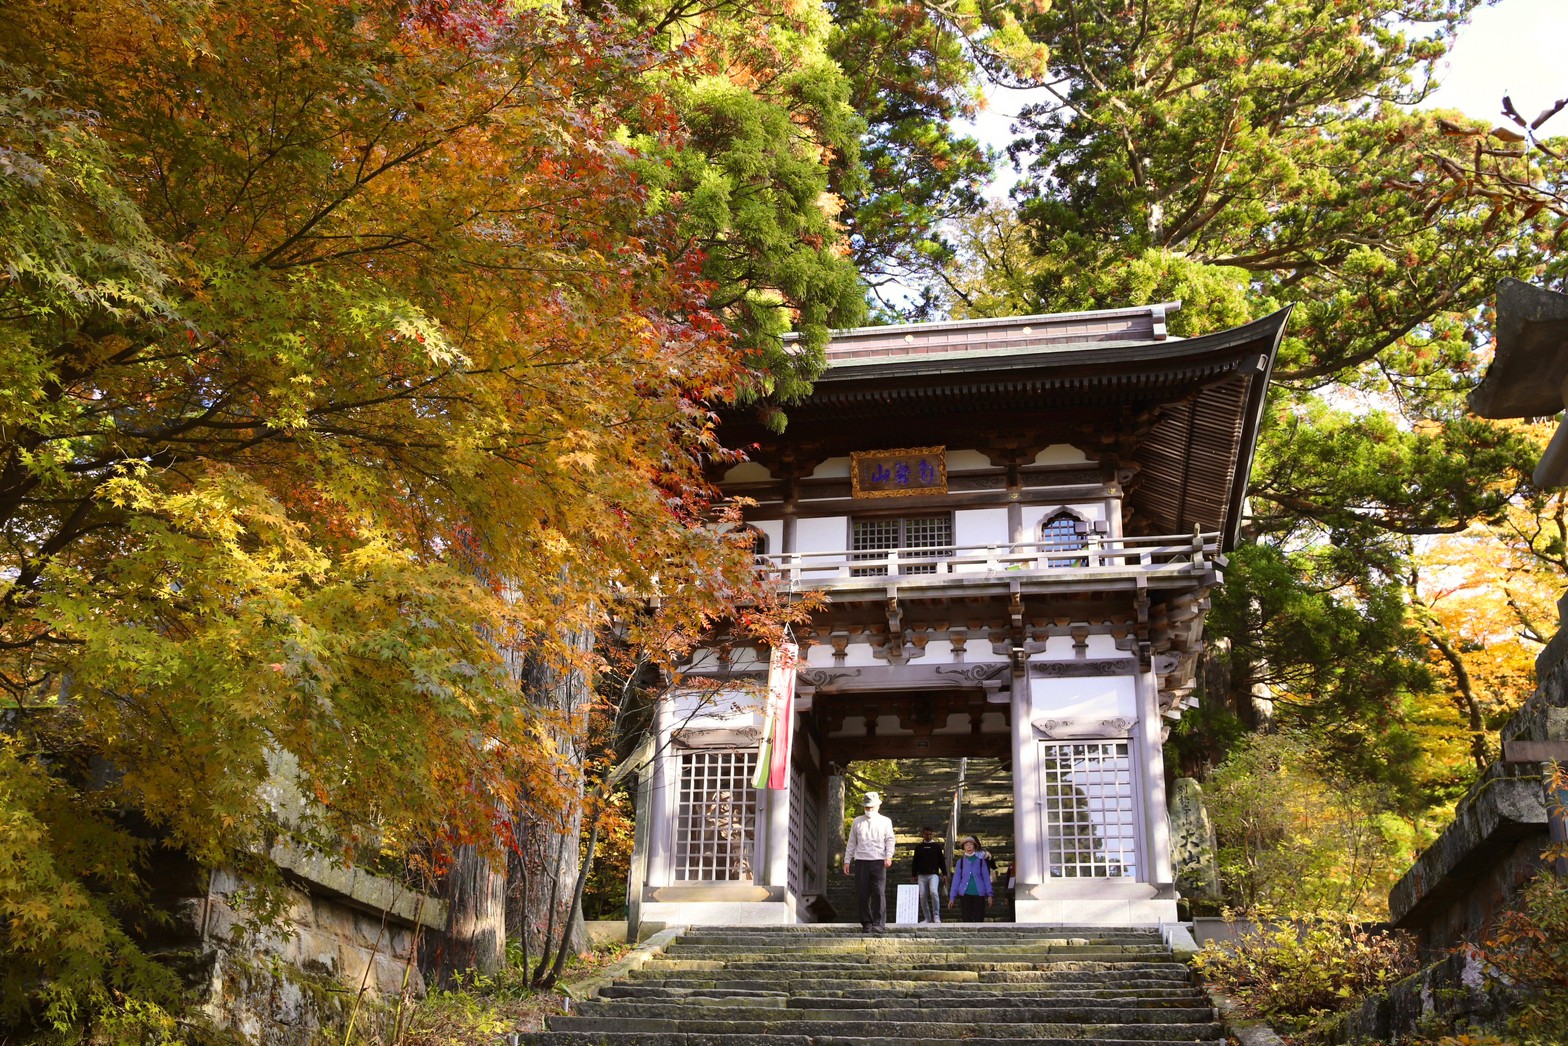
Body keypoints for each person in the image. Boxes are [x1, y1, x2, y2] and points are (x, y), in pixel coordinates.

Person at [843, 790, 896, 934]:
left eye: (872, 807)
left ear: (878, 806)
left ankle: (879, 923)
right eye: (867, 807)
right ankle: (866, 922)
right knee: (862, 893)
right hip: (861, 860)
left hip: (878, 860)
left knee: (879, 892)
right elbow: (852, 842)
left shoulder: (885, 821)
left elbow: (890, 839)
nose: (869, 810)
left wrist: (888, 855)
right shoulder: (857, 821)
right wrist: (847, 860)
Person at [948, 835, 993, 923]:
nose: (969, 847)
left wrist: (990, 895)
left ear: (975, 847)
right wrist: (952, 897)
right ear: (963, 847)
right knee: (966, 919)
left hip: (979, 894)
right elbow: (956, 880)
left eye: (971, 844)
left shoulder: (981, 862)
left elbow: (986, 879)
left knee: (979, 918)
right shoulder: (960, 862)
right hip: (965, 894)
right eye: (966, 845)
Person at [911, 826, 947, 924]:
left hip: (933, 874)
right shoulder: (919, 847)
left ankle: (936, 915)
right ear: (923, 834)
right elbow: (915, 862)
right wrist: (913, 875)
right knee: (922, 895)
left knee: (934, 892)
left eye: (930, 834)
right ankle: (927, 917)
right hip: (922, 875)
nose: (928, 836)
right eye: (926, 834)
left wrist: (944, 873)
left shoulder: (936, 847)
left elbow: (941, 861)